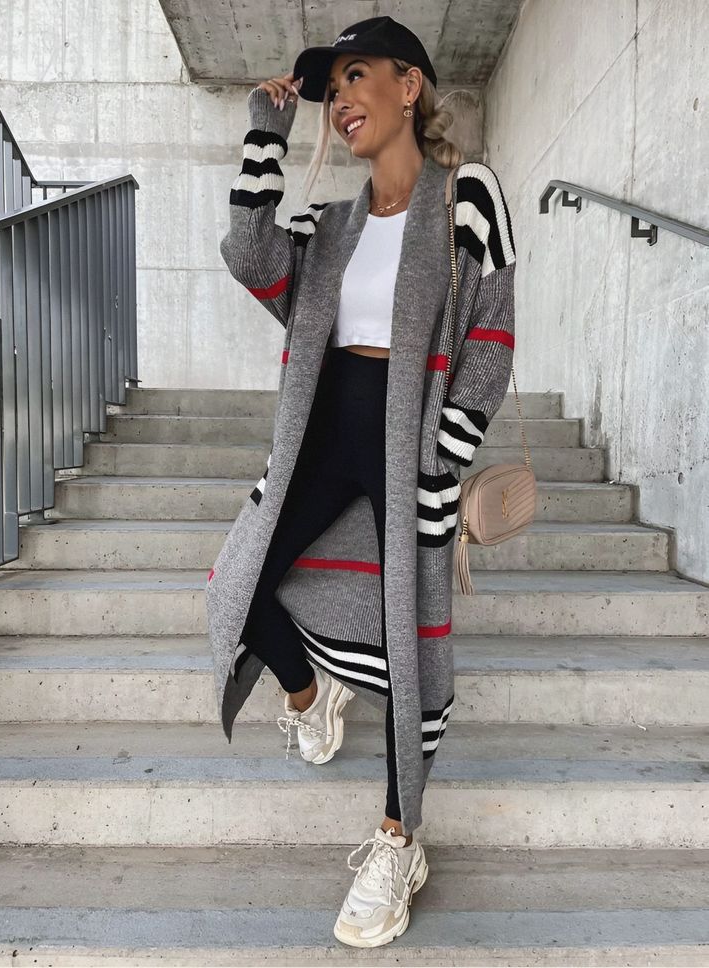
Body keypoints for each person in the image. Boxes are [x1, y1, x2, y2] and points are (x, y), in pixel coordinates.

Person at [207, 14, 516, 949]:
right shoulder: (330, 225)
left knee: (409, 642)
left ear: (407, 86)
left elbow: (490, 337)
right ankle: (310, 695)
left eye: (354, 76)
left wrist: (443, 456)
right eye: (330, 86)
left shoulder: (467, 196)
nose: (340, 98)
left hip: (408, 437)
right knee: (235, 586)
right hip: (322, 427)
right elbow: (251, 258)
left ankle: (396, 838)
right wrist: (265, 134)